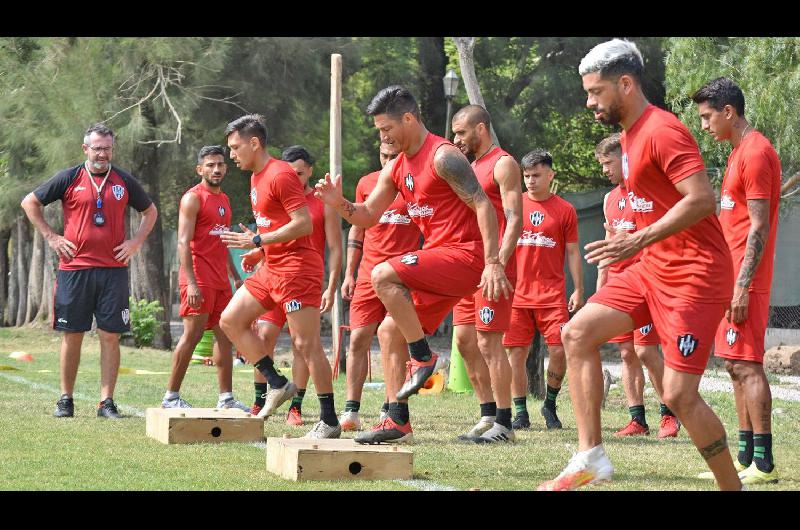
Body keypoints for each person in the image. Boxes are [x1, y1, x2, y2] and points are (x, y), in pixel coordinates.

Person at [538, 39, 741, 491]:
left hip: (695, 275)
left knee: (678, 395)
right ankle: (590, 456)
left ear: (625, 84)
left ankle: (733, 487)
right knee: (576, 332)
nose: (590, 102)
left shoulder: (662, 130)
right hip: (651, 268)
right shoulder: (628, 136)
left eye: (596, 92)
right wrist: (635, 245)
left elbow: (702, 200)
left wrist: (638, 239)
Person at [315, 85, 511, 444]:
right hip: (440, 260)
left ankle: (422, 358)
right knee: (389, 331)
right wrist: (338, 202)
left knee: (382, 273)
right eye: (379, 131)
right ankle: (397, 420)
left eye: (386, 128)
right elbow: (367, 215)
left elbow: (483, 204)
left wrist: (493, 262)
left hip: (467, 256)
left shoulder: (443, 156)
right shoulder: (396, 169)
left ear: (409, 118)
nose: (383, 137)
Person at [21, 123, 157, 419]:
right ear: (86, 149)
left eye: (107, 148)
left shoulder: (122, 179)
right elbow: (30, 202)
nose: (102, 154)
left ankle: (106, 403)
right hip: (75, 269)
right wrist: (52, 237)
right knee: (73, 334)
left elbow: (150, 211)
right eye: (97, 148)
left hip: (113, 271)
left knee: (111, 336)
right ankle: (65, 399)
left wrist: (135, 242)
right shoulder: (70, 177)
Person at [219, 114, 340, 439]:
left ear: (254, 143)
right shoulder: (256, 178)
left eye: (235, 147)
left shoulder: (281, 174)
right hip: (271, 267)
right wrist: (261, 250)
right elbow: (278, 225)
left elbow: (304, 224)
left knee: (306, 344)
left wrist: (258, 240)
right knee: (230, 319)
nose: (231, 155)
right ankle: (275, 382)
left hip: (297, 269)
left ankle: (329, 420)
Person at [693, 77, 781, 484]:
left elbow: (758, 227)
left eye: (708, 117)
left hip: (747, 283)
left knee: (748, 367)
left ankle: (763, 463)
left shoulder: (757, 152)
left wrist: (742, 286)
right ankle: (745, 456)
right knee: (733, 366)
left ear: (729, 112)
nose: (705, 125)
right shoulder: (736, 153)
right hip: (730, 280)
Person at [243, 145, 341, 425]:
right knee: (263, 336)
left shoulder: (322, 202)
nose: (295, 177)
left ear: (310, 170)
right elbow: (273, 237)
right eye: (290, 172)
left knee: (303, 345)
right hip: (274, 274)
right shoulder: (280, 190)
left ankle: (296, 406)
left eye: (300, 172)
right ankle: (261, 398)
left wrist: (331, 285)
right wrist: (257, 252)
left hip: (303, 278)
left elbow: (335, 248)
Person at [594, 134, 680, 439]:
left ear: (625, 159)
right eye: (602, 164)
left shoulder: (647, 194)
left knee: (645, 351)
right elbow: (609, 244)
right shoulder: (609, 199)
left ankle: (669, 413)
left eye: (609, 162)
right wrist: (601, 284)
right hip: (617, 284)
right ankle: (637, 420)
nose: (605, 169)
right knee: (627, 353)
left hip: (646, 282)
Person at [450, 104, 523, 443]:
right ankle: (487, 414)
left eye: (462, 132)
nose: (456, 138)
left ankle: (505, 425)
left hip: (493, 269)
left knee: (489, 343)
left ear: (480, 129)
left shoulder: (503, 163)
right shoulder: (468, 167)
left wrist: (497, 264)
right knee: (466, 342)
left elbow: (515, 219)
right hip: (465, 266)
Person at [338, 142, 421, 431]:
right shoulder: (366, 183)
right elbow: (357, 227)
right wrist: (349, 273)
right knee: (358, 339)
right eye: (384, 156)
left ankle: (392, 406)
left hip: (402, 277)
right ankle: (351, 410)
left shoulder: (415, 185)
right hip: (367, 275)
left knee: (393, 339)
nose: (388, 162)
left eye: (393, 157)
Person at [160, 145, 248, 411]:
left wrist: (234, 276)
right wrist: (192, 283)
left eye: (220, 164)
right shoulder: (193, 198)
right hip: (198, 278)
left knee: (226, 336)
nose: (217, 169)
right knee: (192, 335)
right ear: (200, 169)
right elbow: (183, 243)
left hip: (221, 280)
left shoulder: (225, 200)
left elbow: (223, 243)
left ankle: (226, 398)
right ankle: (171, 397)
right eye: (210, 165)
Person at [501, 149, 584, 430]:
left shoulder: (565, 210)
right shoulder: (513, 206)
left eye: (536, 175)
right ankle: (520, 412)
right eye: (526, 176)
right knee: (516, 354)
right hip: (516, 294)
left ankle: (549, 404)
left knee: (560, 350)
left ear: (550, 175)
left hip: (552, 295)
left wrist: (578, 289)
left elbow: (573, 252)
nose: (531, 181)